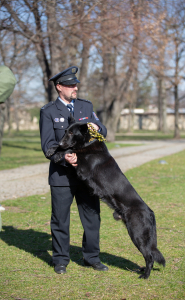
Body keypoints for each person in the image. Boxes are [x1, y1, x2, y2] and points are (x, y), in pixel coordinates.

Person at [39, 66, 108, 274]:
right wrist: (64, 157)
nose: (75, 88)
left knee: (92, 217)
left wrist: (97, 128)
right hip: (62, 175)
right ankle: (60, 260)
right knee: (60, 219)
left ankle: (92, 258)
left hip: (87, 175)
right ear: (59, 87)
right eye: (70, 85)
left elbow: (101, 128)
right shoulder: (49, 111)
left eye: (76, 84)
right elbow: (48, 145)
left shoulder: (86, 107)